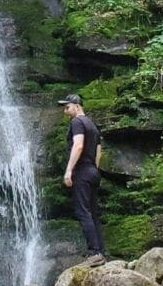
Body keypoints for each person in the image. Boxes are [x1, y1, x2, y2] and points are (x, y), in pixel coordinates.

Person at [58, 93, 106, 266]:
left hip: (82, 171)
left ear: (77, 106)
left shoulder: (77, 122)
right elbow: (99, 149)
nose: (65, 111)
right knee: (93, 213)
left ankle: (94, 252)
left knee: (82, 212)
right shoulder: (92, 124)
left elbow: (78, 145)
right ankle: (101, 251)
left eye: (67, 107)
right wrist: (94, 168)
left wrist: (69, 170)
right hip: (93, 171)